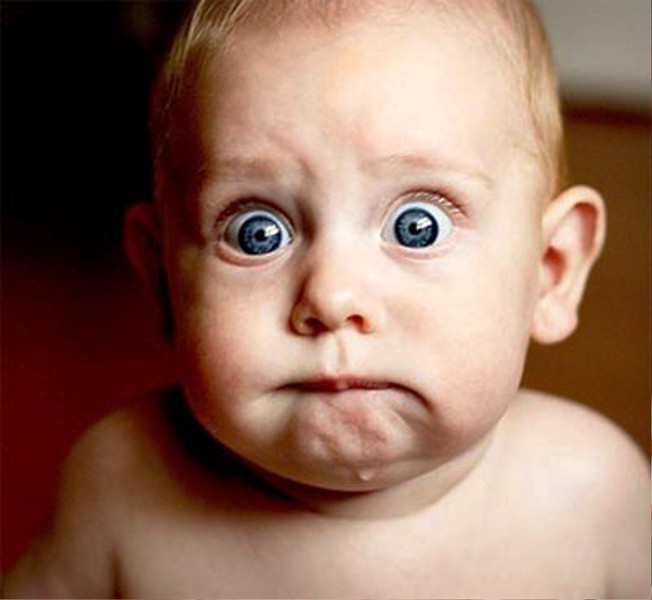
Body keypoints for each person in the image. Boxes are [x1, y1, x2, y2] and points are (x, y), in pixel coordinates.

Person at [3, 1, 649, 598]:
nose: (333, 297)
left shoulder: (593, 493)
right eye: (258, 232)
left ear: (551, 270)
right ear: (162, 279)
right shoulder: (120, 485)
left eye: (416, 226)